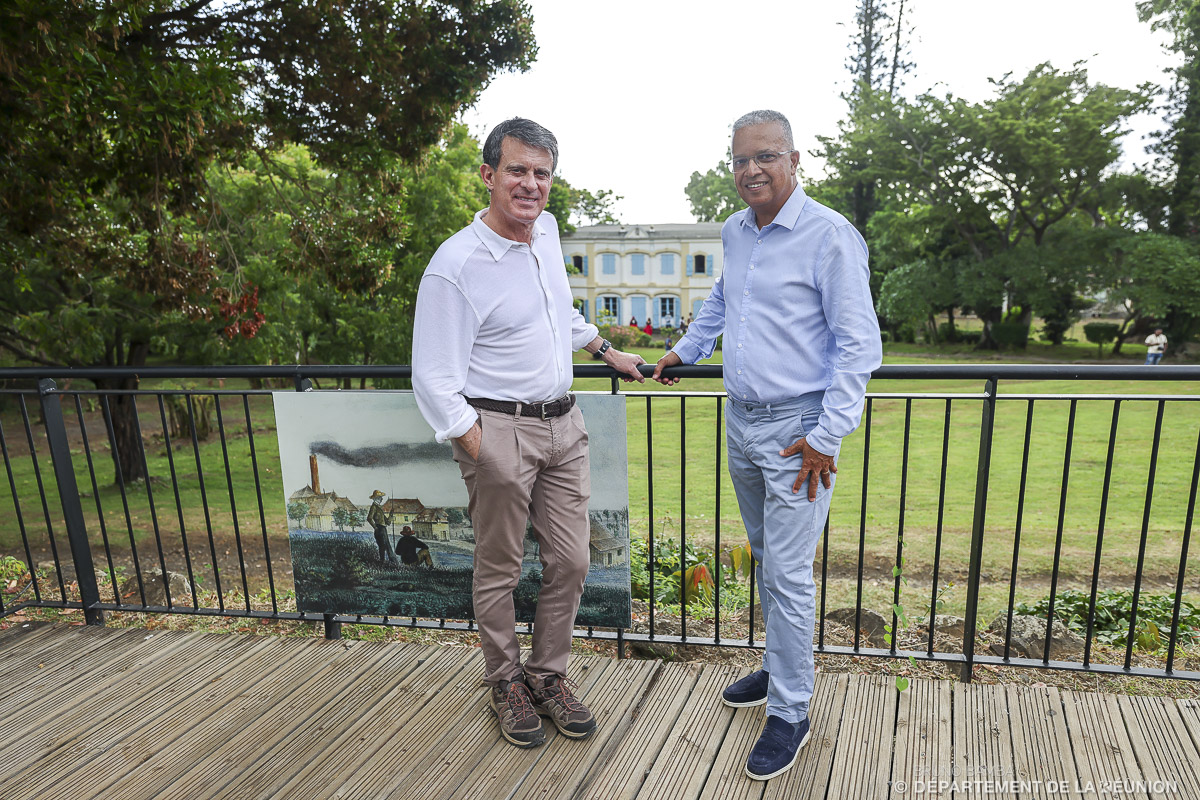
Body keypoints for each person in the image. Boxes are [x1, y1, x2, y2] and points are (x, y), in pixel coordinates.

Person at [653, 110, 881, 781]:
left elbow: (859, 345)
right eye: (740, 159)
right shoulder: (736, 231)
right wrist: (684, 350)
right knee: (768, 562)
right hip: (741, 423)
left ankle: (791, 712)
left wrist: (825, 435)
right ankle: (781, 668)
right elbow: (724, 301)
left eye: (765, 157)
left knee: (785, 574)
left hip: (797, 435)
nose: (751, 170)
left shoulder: (829, 236)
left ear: (794, 159)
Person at [412, 117, 645, 749]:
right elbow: (432, 377)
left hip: (564, 425)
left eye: (541, 173)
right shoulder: (455, 265)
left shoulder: (544, 232)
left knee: (572, 559)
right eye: (517, 170)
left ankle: (547, 675)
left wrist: (606, 349)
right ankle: (505, 682)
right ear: (488, 175)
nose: (530, 184)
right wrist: (481, 446)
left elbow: (556, 313)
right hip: (499, 430)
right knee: (500, 567)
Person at [367, 490, 398, 564]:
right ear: (375, 498)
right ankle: (392, 562)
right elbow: (369, 518)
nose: (381, 499)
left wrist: (391, 515)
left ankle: (385, 562)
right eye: (380, 497)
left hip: (382, 529)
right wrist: (375, 527)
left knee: (384, 546)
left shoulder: (379, 509)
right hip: (379, 529)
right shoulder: (373, 507)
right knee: (385, 546)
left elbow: (387, 522)